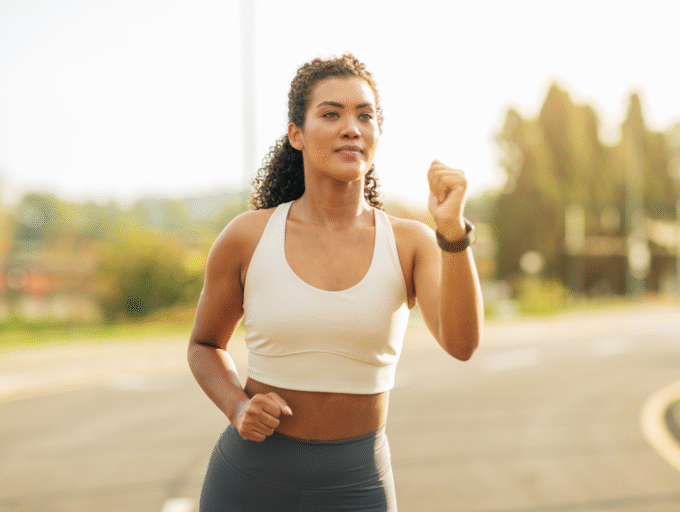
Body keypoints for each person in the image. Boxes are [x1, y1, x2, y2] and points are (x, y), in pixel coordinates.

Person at [188, 53, 483, 512]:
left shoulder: (411, 242)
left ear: (377, 134)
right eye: (332, 114)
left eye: (365, 116)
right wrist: (236, 406)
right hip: (250, 481)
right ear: (297, 135)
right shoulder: (247, 236)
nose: (352, 127)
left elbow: (462, 344)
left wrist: (452, 236)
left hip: (356, 485)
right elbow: (204, 344)